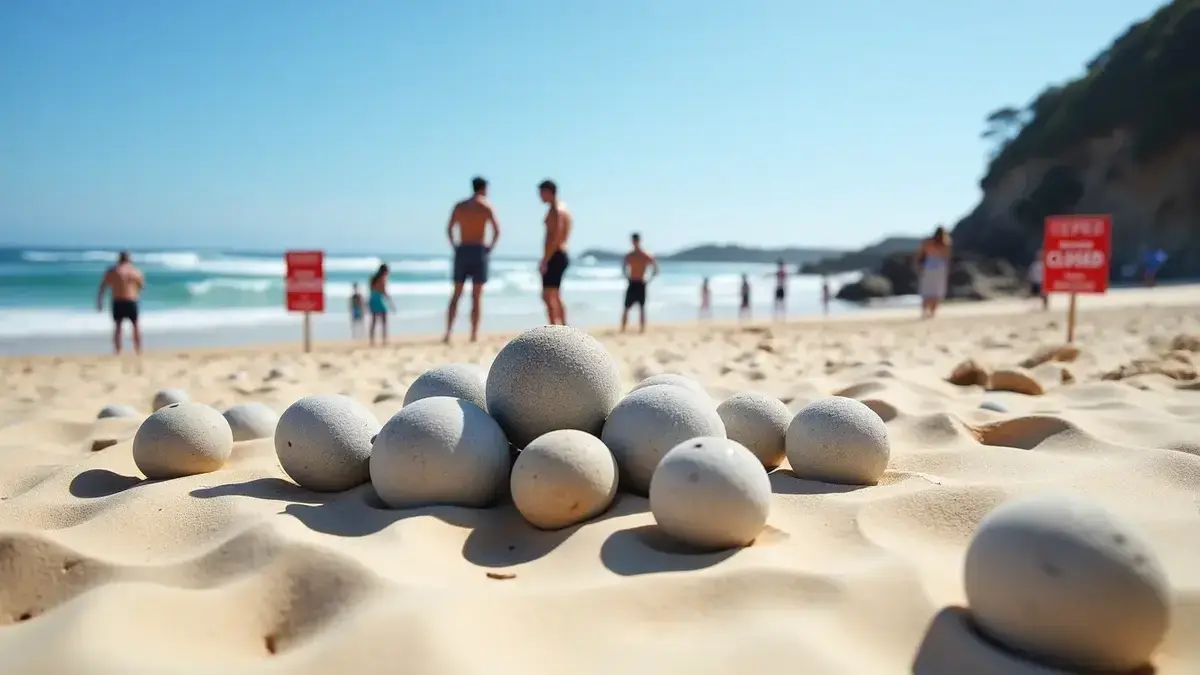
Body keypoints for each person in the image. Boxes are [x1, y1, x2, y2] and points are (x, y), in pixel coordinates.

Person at [445, 176, 501, 343]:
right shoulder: (485, 206)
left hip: (462, 248)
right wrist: (489, 248)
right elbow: (497, 230)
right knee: (476, 296)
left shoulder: (460, 206)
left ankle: (448, 333)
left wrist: (455, 246)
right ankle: (473, 334)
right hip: (478, 250)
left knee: (456, 293)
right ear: (484, 189)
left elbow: (449, 228)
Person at [96, 251, 145, 355]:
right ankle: (138, 349)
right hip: (131, 300)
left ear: (119, 259)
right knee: (135, 325)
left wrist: (99, 301)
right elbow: (142, 286)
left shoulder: (113, 271)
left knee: (118, 326)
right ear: (129, 259)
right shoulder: (135, 271)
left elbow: (103, 287)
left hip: (118, 301)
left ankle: (117, 350)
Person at [538, 179, 572, 325]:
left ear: (549, 192)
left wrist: (545, 259)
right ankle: (562, 328)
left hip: (555, 255)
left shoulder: (557, 210)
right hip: (558, 254)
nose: (540, 197)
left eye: (542, 193)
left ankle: (556, 330)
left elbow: (556, 237)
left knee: (548, 295)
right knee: (554, 295)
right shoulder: (561, 208)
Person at [620, 232, 659, 333]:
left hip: (641, 282)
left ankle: (642, 329)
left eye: (636, 240)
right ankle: (623, 329)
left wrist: (649, 279)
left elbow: (655, 268)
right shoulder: (630, 255)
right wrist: (627, 277)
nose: (635, 242)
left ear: (638, 241)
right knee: (626, 307)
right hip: (632, 282)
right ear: (632, 241)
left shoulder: (644, 255)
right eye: (633, 241)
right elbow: (624, 266)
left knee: (641, 308)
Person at [915, 226, 952, 319]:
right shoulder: (946, 243)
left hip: (929, 264)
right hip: (940, 265)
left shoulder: (928, 242)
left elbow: (920, 254)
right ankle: (932, 312)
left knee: (927, 290)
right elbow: (947, 257)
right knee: (937, 291)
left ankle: (924, 311)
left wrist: (919, 265)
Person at [368, 264, 394, 346]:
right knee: (384, 321)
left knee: (373, 321)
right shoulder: (382, 279)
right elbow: (384, 292)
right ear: (385, 271)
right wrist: (391, 302)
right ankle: (384, 340)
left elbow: (371, 290)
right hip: (378, 299)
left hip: (372, 299)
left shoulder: (372, 278)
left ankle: (372, 341)